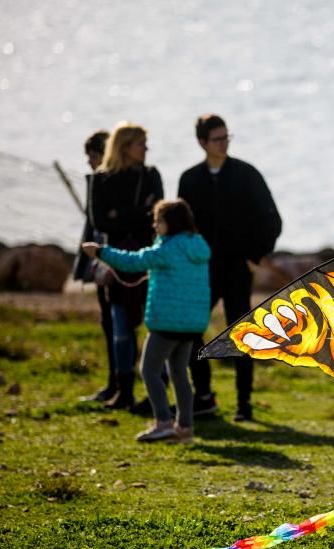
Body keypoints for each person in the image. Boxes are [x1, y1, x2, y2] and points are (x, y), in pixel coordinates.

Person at [178, 114, 282, 422]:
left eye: (227, 137)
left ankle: (244, 404)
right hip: (201, 271)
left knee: (242, 335)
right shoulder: (189, 179)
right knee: (191, 330)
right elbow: (181, 227)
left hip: (238, 269)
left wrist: (255, 257)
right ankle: (204, 397)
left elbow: (272, 220)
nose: (224, 143)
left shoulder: (247, 174)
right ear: (202, 142)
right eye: (217, 139)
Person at [81, 199, 211, 442]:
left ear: (169, 223)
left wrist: (100, 252)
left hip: (167, 322)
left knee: (149, 370)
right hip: (192, 325)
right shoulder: (198, 246)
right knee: (180, 374)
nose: (154, 225)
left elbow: (133, 262)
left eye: (157, 220)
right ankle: (185, 428)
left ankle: (163, 422)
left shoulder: (167, 249)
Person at [91, 122, 164, 409]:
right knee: (121, 328)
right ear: (125, 147)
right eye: (141, 144)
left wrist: (120, 213)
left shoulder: (150, 175)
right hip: (116, 261)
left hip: (147, 259)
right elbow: (100, 221)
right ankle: (124, 390)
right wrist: (137, 212)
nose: (146, 150)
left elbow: (157, 216)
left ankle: (153, 391)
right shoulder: (102, 179)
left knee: (153, 326)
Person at [71, 130, 116, 402]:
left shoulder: (109, 184)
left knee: (117, 324)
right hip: (100, 260)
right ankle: (115, 382)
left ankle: (119, 383)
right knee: (109, 322)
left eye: (94, 157)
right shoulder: (97, 184)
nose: (89, 163)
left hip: (112, 261)